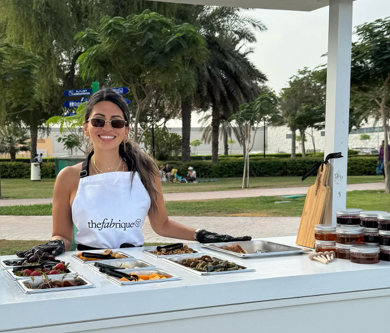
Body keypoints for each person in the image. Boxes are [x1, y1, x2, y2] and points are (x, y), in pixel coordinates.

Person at [47, 88, 247, 251]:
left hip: (137, 269)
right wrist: (54, 244)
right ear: (86, 127)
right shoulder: (68, 178)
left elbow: (161, 224)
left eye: (116, 122)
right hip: (88, 267)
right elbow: (62, 236)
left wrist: (201, 234)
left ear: (126, 130)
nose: (107, 128)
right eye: (98, 121)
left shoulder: (145, 171)